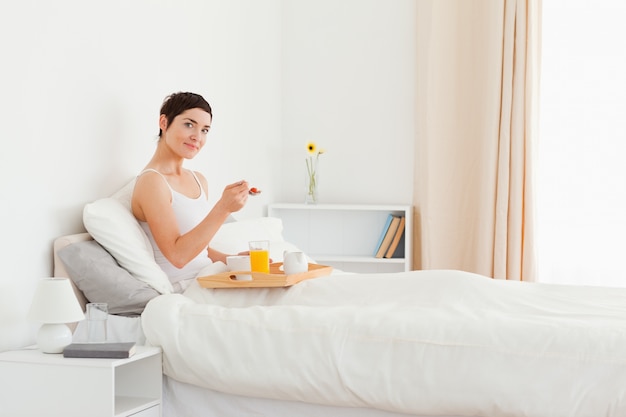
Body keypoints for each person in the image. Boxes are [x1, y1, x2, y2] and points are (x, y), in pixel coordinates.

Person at [131, 92, 250, 286]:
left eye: (205, 130)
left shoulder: (198, 180)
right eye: (189, 125)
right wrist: (223, 208)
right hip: (186, 286)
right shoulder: (152, 182)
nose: (197, 137)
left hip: (209, 277)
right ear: (164, 122)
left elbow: (202, 251)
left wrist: (236, 261)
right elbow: (178, 256)